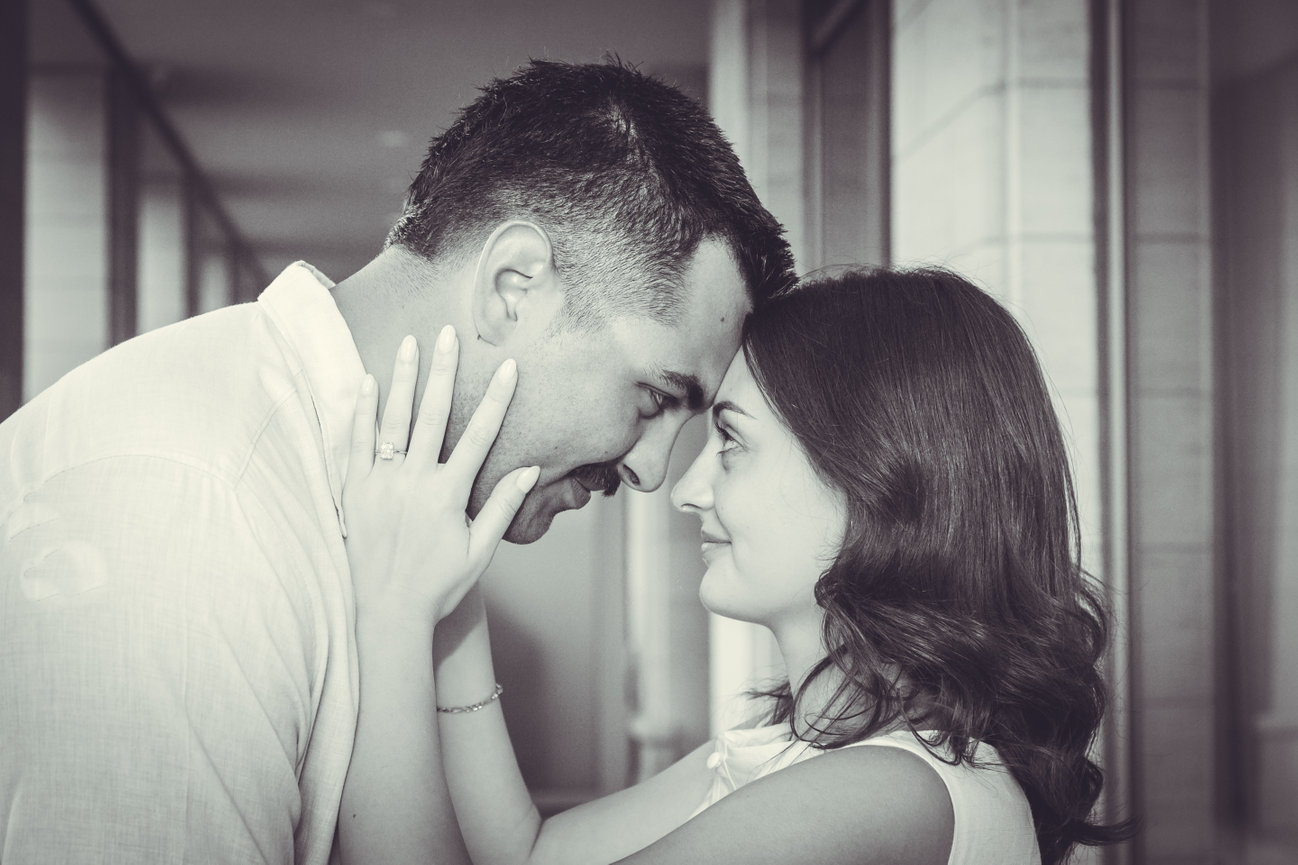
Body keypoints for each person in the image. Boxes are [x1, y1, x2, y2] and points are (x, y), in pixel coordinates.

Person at [0, 59, 793, 863]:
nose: (653, 473)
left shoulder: (370, 506)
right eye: (656, 399)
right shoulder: (190, 504)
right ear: (513, 287)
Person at [339, 267, 1134, 865]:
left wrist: (392, 619)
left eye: (732, 443)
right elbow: (529, 853)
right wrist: (457, 566)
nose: (685, 488)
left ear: (872, 482)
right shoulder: (792, 749)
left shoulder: (886, 792)